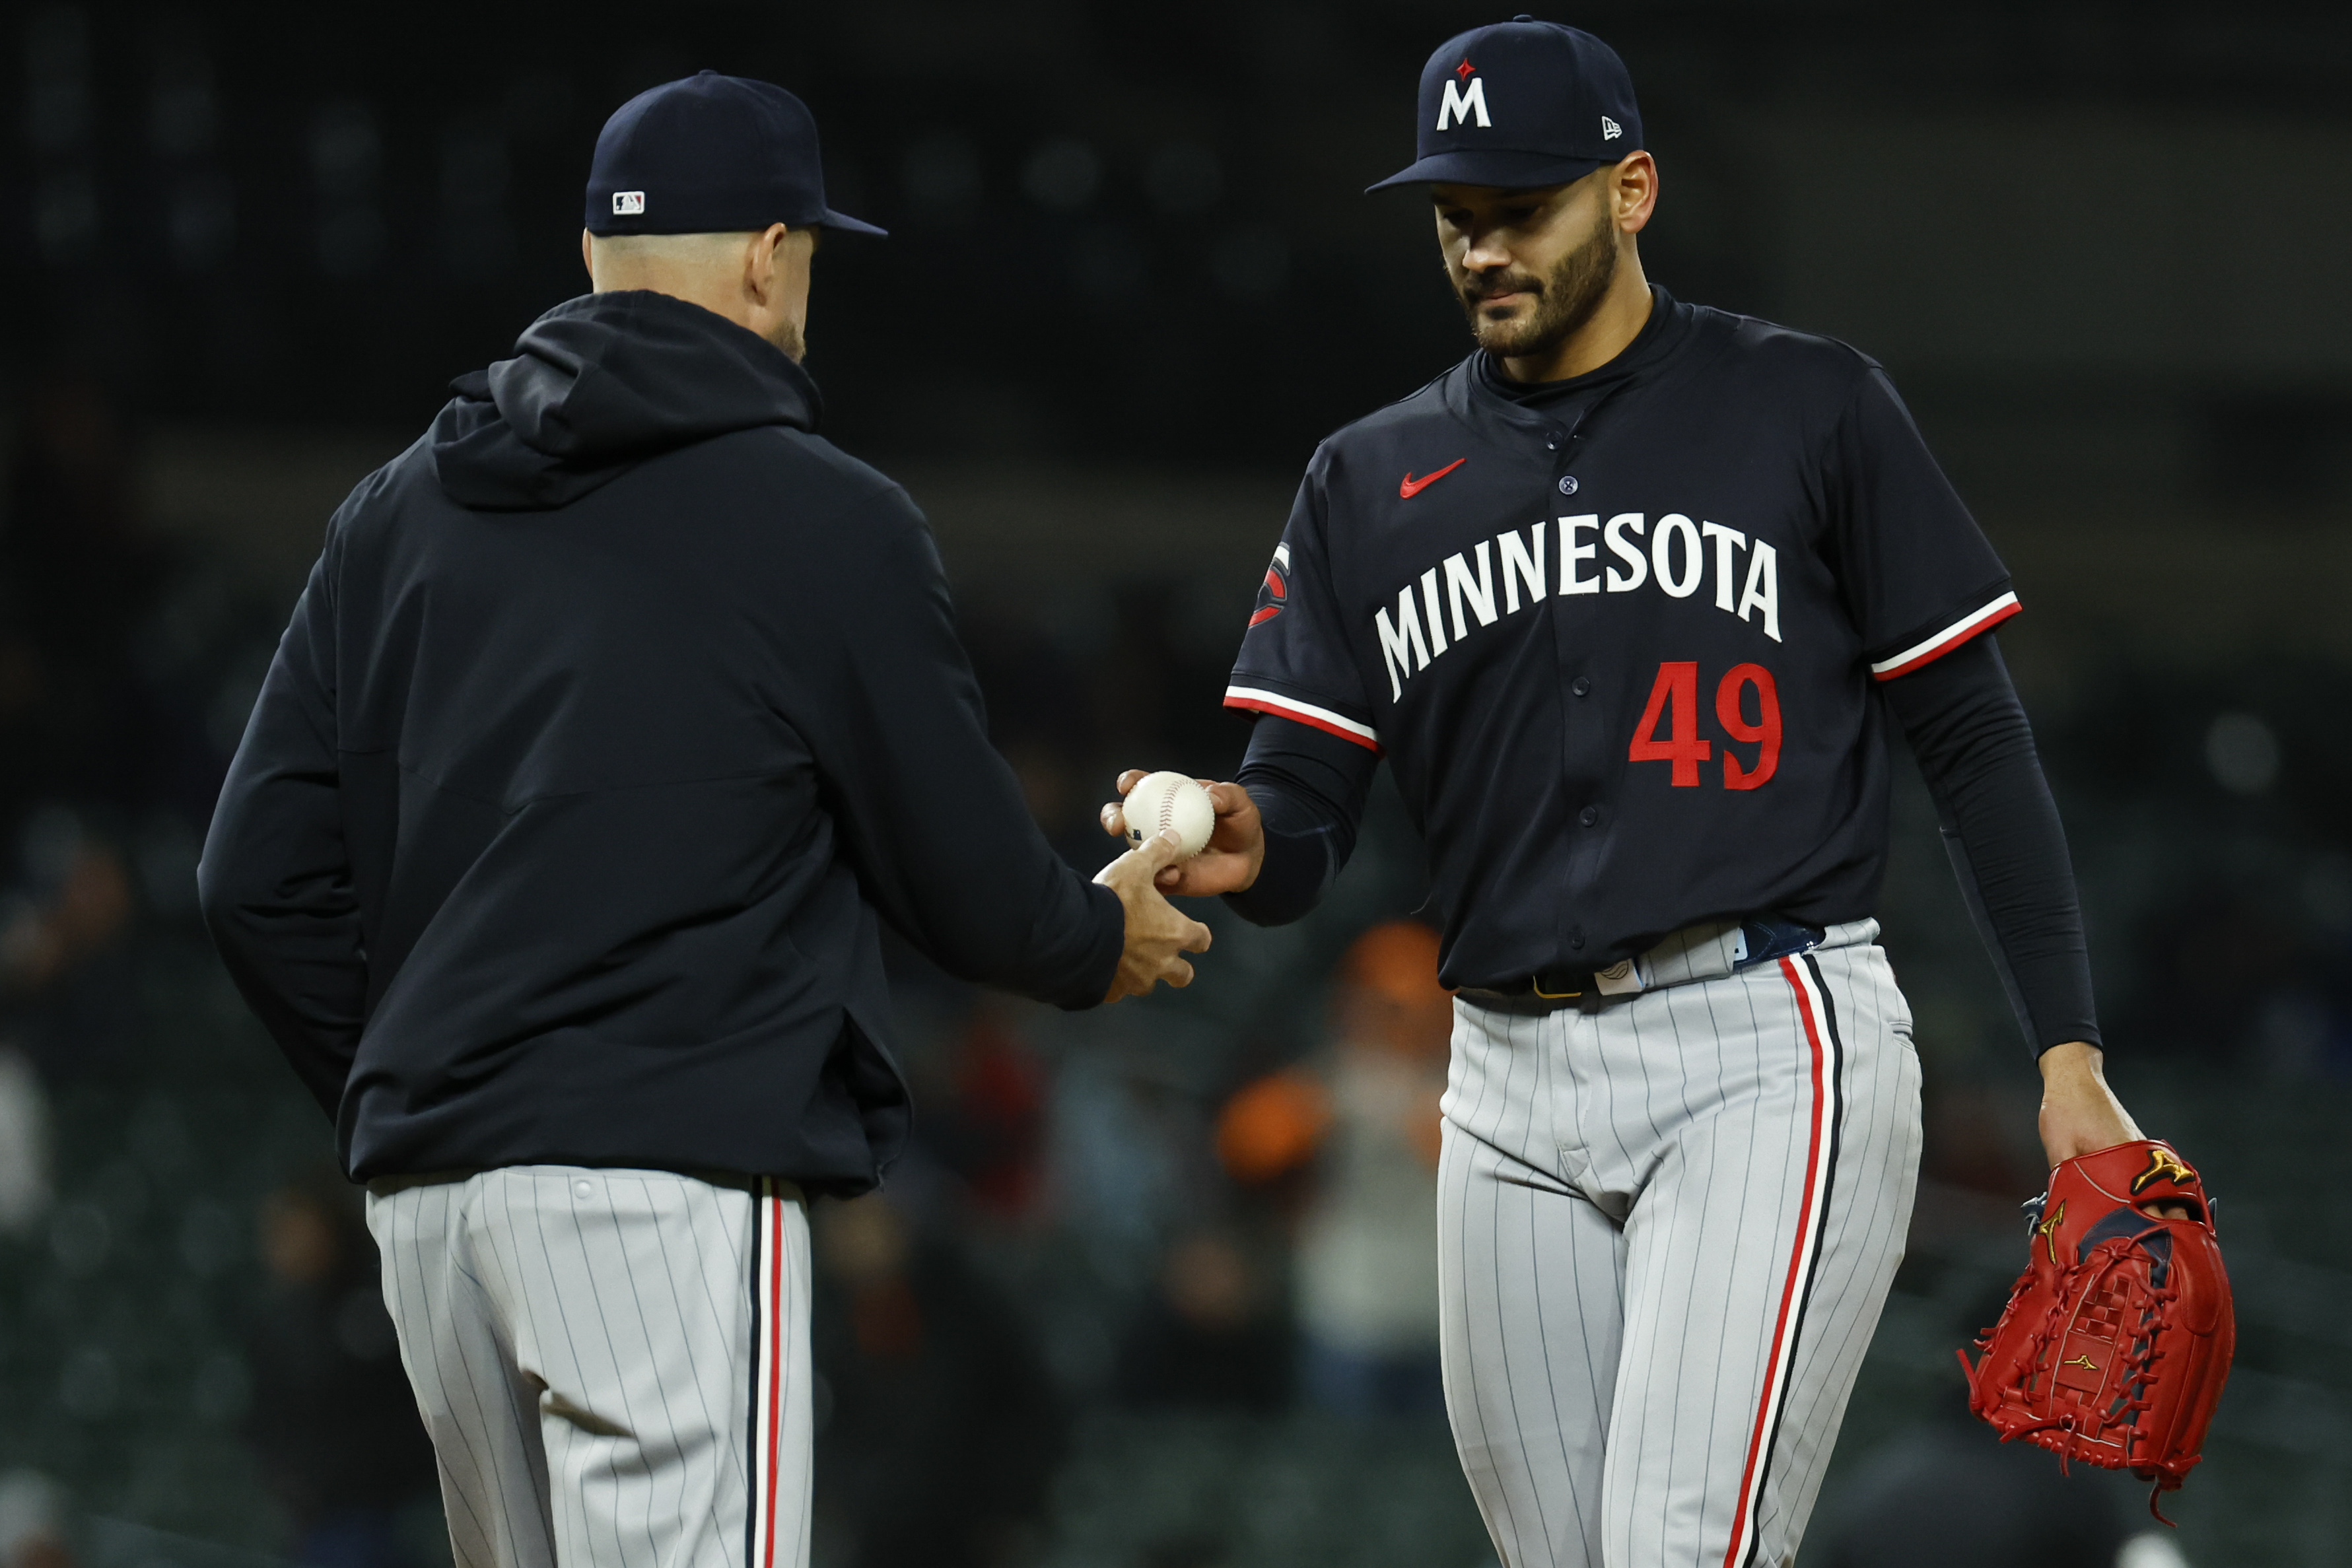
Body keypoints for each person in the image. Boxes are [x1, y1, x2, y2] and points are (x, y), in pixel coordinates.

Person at [1103, 20, 2177, 1567]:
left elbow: (1969, 738)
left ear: (1630, 190)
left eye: (1518, 203)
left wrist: (2063, 1052)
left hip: (1764, 1036)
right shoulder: (1365, 476)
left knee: (1677, 1545)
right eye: (1452, 213)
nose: (1481, 245)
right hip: (1500, 1077)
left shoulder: (1807, 407)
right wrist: (1235, 830)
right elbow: (1302, 816)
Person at [198, 71, 1208, 1568]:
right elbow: (966, 880)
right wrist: (1092, 935)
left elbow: (249, 880)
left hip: (431, 1209)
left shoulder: (398, 509)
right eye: (805, 248)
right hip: (657, 1190)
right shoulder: (819, 513)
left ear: (595, 254)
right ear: (763, 251)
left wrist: (428, 1089)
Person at [1215, 920, 1451, 1415]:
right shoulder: (1326, 1081)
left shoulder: (1464, 1093)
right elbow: (1243, 1144)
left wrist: (1404, 1108)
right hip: (1347, 1318)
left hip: (1435, 1323)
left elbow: (1456, 1159)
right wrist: (1321, 1103)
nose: (1390, 1023)